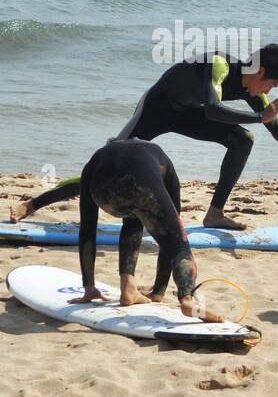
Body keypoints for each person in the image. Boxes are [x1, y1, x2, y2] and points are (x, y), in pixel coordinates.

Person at [11, 44, 278, 229]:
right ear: (260, 71)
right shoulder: (219, 65)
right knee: (109, 166)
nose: (267, 92)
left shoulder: (250, 87)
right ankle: (33, 204)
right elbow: (212, 109)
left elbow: (271, 122)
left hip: (187, 113)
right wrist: (258, 117)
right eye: (271, 85)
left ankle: (215, 214)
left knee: (243, 139)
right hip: (156, 109)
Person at [67, 138, 222, 322]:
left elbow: (87, 228)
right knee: (179, 245)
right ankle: (187, 299)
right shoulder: (157, 153)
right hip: (143, 186)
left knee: (132, 217)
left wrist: (89, 286)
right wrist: (158, 291)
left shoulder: (97, 158)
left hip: (103, 192)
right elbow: (174, 232)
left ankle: (128, 289)